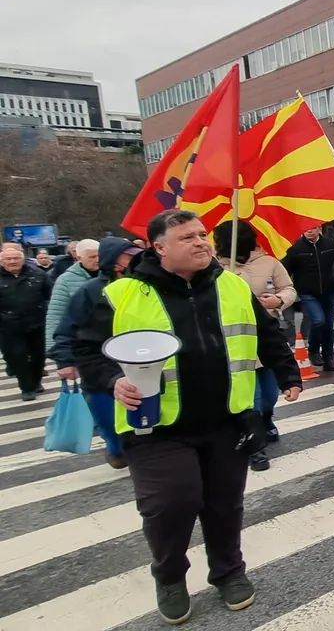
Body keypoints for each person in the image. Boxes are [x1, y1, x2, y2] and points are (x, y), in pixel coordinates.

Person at [74, 209, 302, 624]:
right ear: (159, 247)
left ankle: (229, 573)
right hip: (155, 425)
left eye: (202, 235)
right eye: (187, 237)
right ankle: (170, 576)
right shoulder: (120, 293)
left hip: (227, 420)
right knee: (169, 504)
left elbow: (265, 334)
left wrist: (288, 373)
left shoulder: (232, 285)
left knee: (223, 505)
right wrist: (112, 381)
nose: (201, 243)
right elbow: (88, 350)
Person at [50, 237, 141, 469]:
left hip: (132, 359)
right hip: (97, 363)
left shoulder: (142, 286)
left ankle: (135, 447)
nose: (133, 258)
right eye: (127, 254)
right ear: (113, 260)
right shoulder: (90, 291)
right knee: (107, 418)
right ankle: (114, 448)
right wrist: (64, 359)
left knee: (134, 410)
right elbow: (67, 325)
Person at [214, 221, 298, 473]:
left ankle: (267, 418)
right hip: (234, 341)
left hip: (266, 333)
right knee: (251, 397)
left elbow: (289, 289)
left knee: (270, 394)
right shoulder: (216, 269)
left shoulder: (269, 262)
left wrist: (278, 300)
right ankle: (255, 443)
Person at [283, 225, 334, 372]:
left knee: (328, 325)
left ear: (319, 228)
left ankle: (329, 358)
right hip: (307, 292)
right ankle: (314, 350)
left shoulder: (330, 245)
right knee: (318, 321)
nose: (309, 231)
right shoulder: (296, 248)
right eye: (306, 228)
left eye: (313, 228)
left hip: (329, 290)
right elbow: (285, 271)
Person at [0, 243, 53, 401]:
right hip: (8, 327)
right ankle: (26, 387)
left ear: (23, 260)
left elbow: (49, 296)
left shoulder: (37, 275)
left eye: (16, 258)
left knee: (38, 356)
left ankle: (36, 382)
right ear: (2, 261)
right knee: (16, 357)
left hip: (36, 323)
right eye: (8, 259)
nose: (12, 261)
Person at [45, 238, 99, 353]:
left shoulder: (113, 274)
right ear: (79, 258)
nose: (97, 260)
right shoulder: (66, 280)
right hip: (82, 343)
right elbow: (56, 314)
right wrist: (55, 349)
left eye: (99, 256)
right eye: (92, 257)